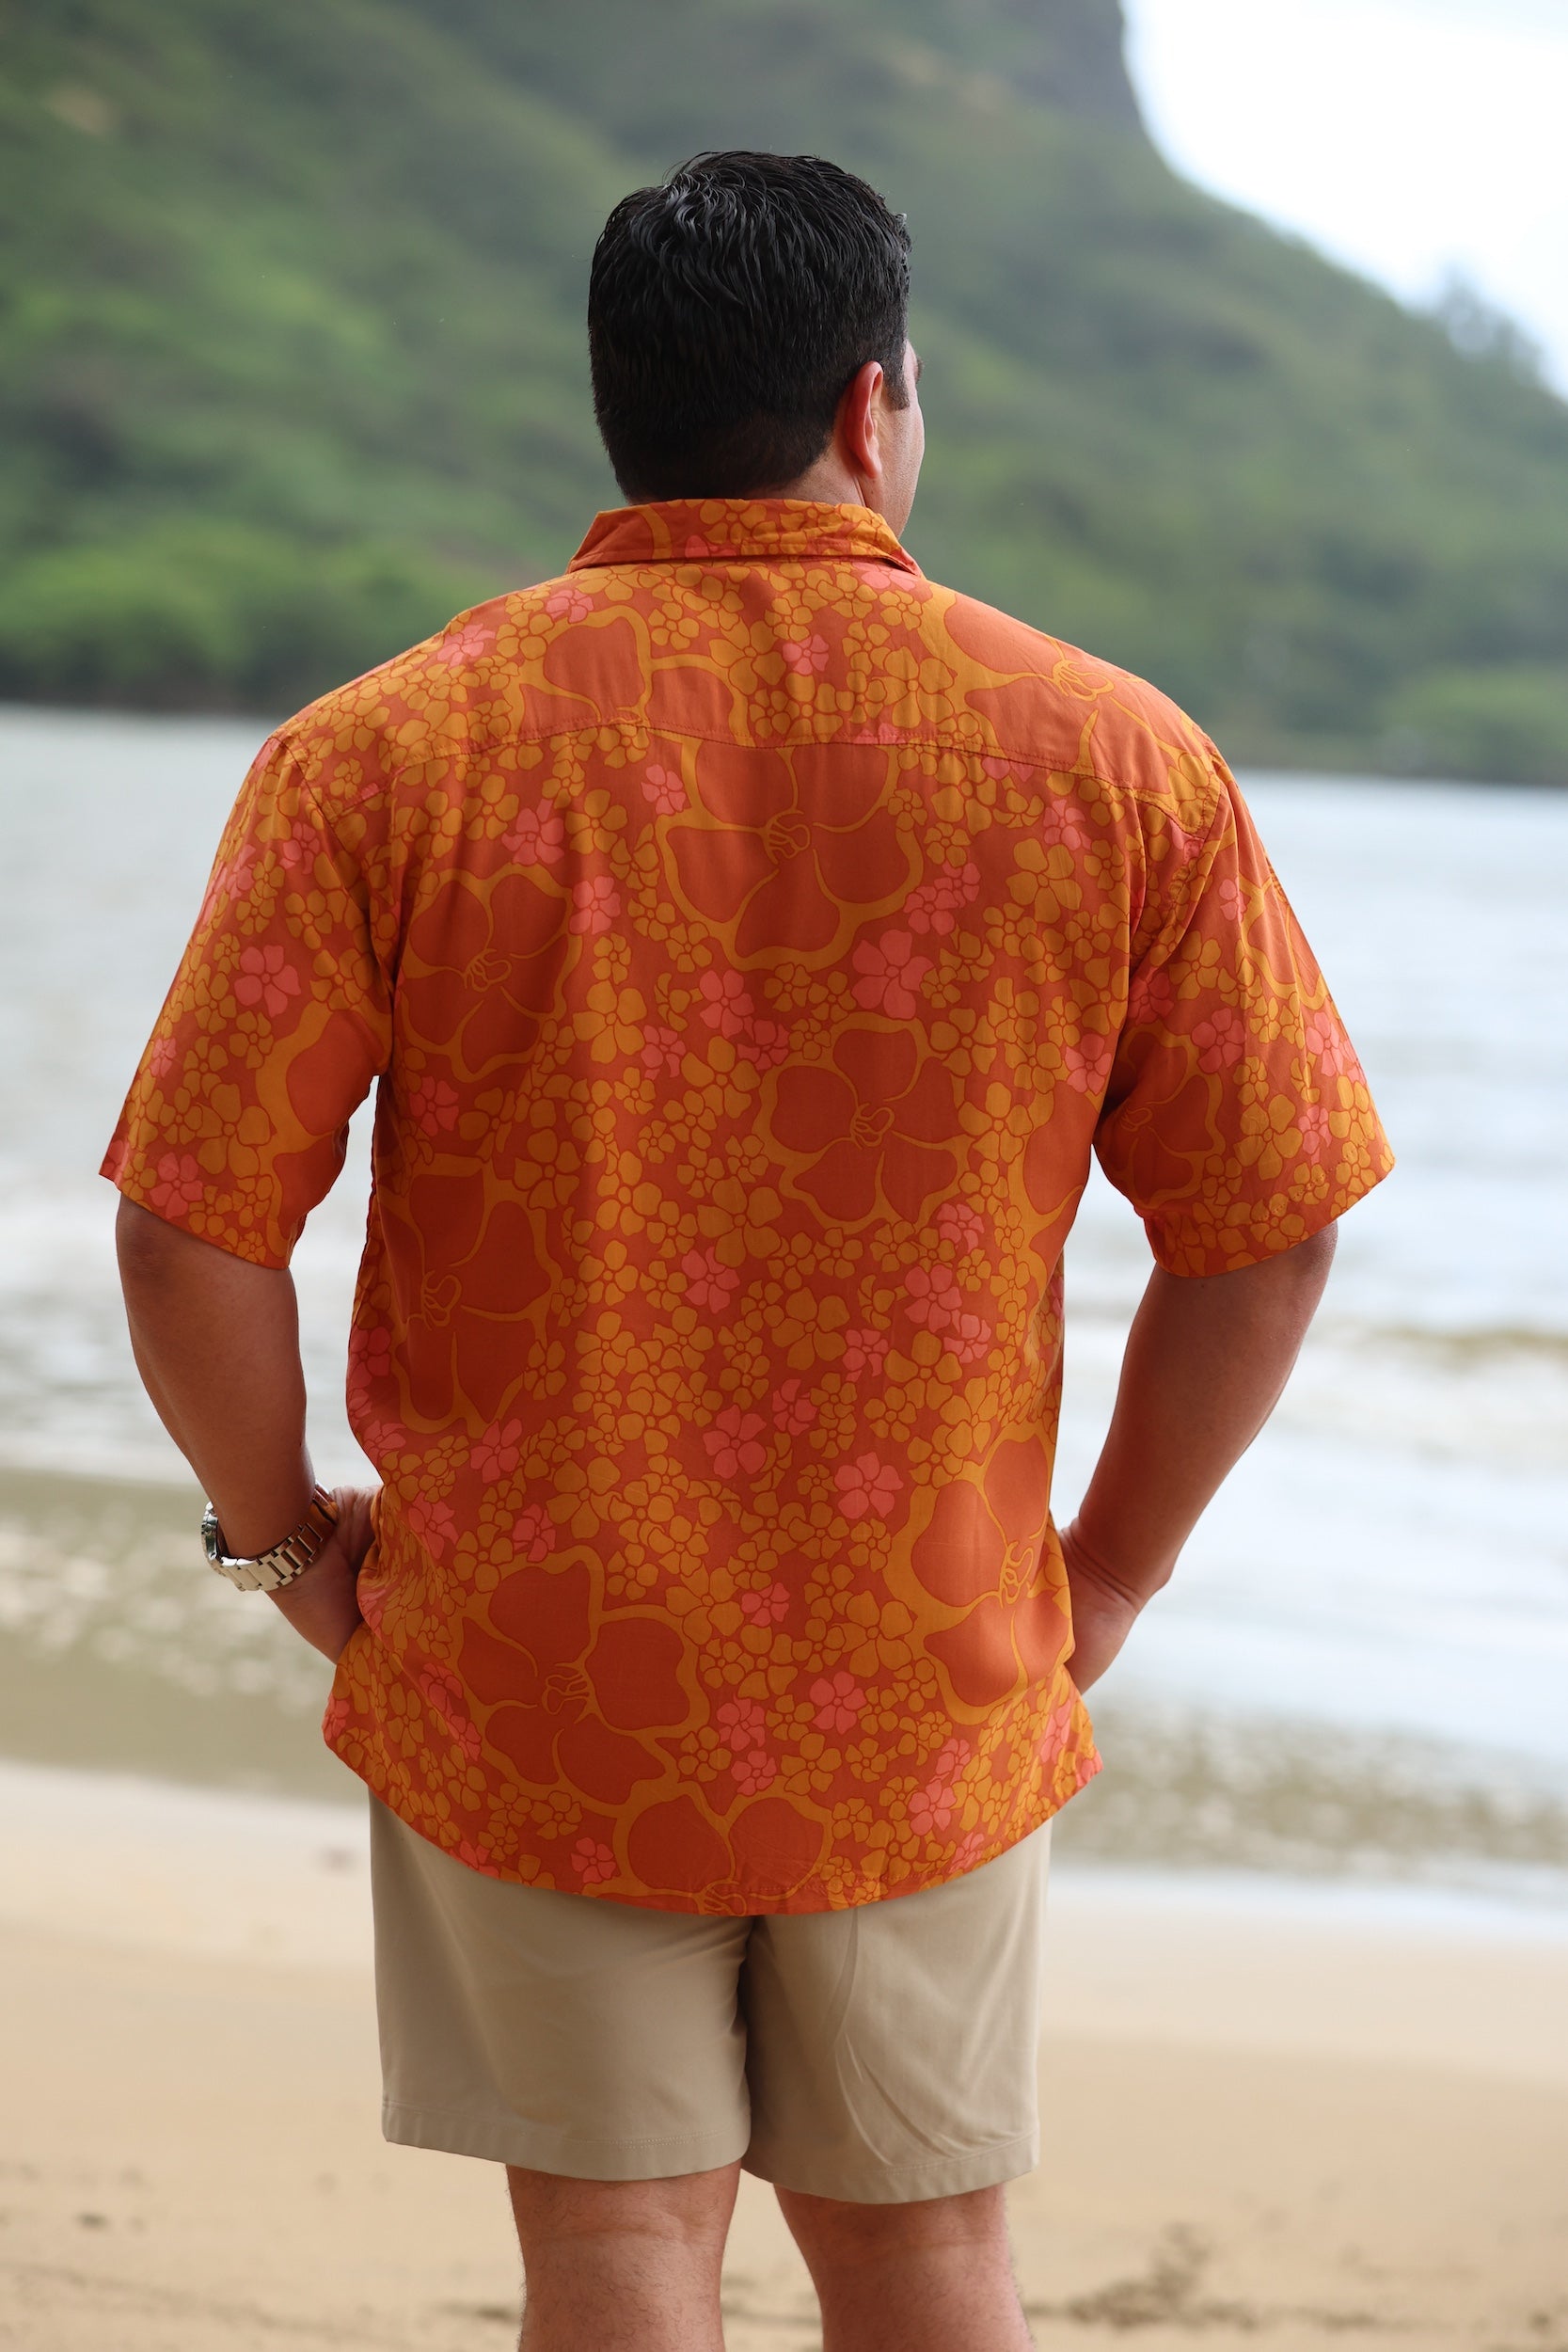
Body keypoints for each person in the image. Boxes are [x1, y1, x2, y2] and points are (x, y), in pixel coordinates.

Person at [107, 151, 1391, 2352]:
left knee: (610, 2256)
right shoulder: (1117, 758)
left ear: (615, 405)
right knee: (928, 2259)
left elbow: (192, 1223)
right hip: (935, 1674)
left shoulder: (391, 750)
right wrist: (1104, 1576)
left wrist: (284, 1542)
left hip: (528, 1658)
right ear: (877, 407)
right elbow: (1264, 1238)